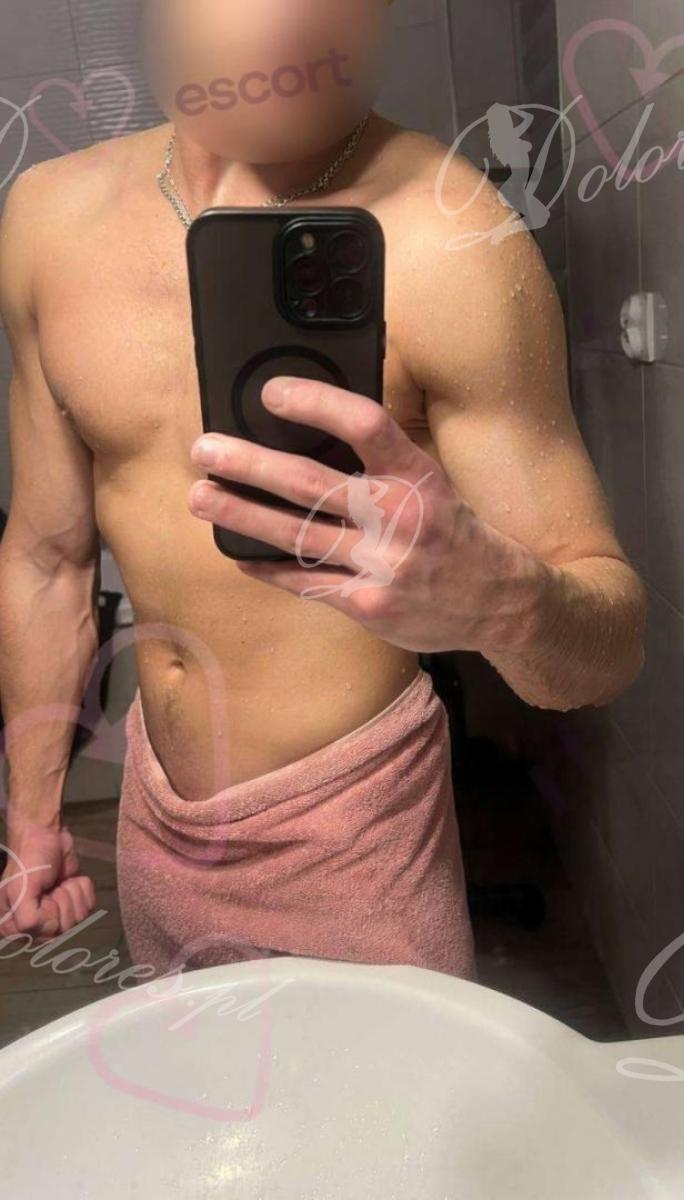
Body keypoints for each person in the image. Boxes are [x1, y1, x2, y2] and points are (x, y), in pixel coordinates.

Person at [0, 0, 646, 980]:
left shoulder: (453, 238)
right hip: (154, 811)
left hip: (355, 831)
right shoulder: (48, 219)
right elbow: (46, 561)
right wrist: (33, 815)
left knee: (380, 1085)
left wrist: (503, 602)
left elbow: (606, 651)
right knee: (201, 1071)